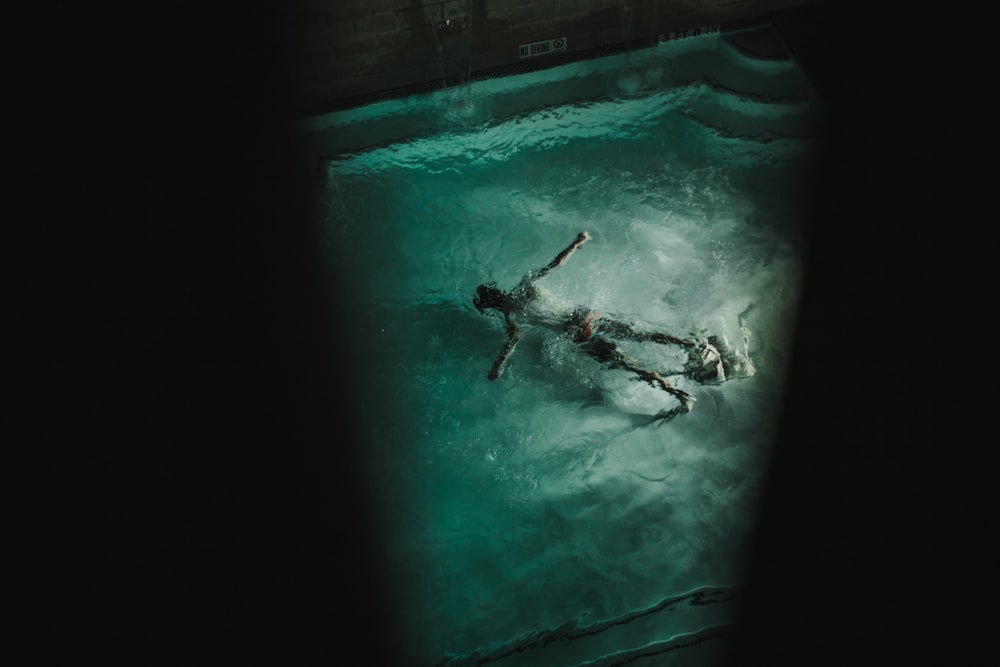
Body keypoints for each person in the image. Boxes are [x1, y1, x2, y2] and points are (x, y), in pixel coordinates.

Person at [473, 231, 756, 422]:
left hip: (579, 332)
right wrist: (575, 244)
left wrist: (498, 366)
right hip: (585, 318)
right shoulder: (523, 291)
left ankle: (680, 392)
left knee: (628, 362)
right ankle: (689, 346)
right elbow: (554, 266)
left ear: (494, 303)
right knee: (639, 335)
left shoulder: (512, 313)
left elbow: (514, 338)